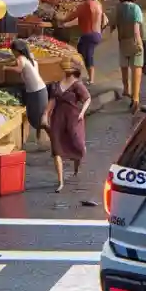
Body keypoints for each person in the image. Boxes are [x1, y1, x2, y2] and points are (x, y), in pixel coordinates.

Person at [46, 58, 91, 192]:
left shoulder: (77, 85)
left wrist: (82, 112)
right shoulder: (57, 84)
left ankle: (76, 167)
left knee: (78, 145)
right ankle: (60, 181)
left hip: (73, 118)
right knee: (57, 149)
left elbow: (87, 98)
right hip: (58, 118)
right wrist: (45, 114)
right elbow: (52, 100)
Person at [58, 0, 107, 85]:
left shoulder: (85, 6)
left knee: (87, 55)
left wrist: (61, 20)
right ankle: (84, 76)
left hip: (88, 34)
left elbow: (72, 16)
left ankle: (89, 79)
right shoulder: (98, 4)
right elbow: (104, 20)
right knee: (82, 51)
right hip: (97, 34)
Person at [108, 0, 145, 113]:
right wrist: (140, 44)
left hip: (122, 41)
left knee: (124, 66)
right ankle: (135, 98)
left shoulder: (116, 8)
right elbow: (136, 31)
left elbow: (111, 26)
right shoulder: (136, 9)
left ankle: (126, 89)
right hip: (134, 41)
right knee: (136, 69)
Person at [8, 38, 48, 149]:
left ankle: (52, 139)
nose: (13, 53)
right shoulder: (30, 58)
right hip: (40, 90)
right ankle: (41, 141)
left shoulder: (21, 58)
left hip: (36, 91)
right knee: (38, 118)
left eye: (13, 51)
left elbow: (19, 69)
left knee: (39, 119)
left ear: (17, 51)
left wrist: (6, 67)